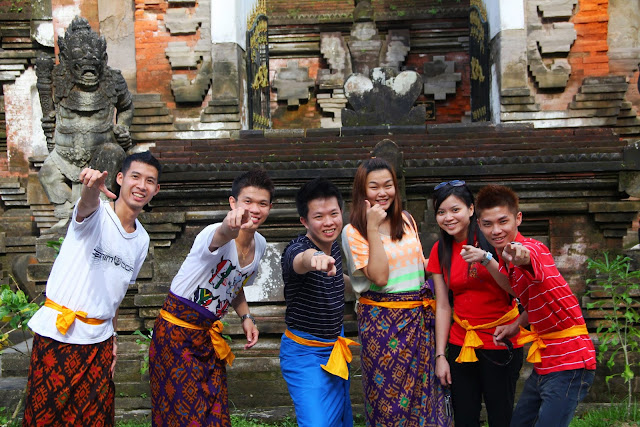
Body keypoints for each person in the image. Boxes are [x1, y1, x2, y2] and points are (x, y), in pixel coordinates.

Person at [23, 151, 161, 426]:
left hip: (99, 341)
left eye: (149, 181)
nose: (141, 186)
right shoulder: (97, 214)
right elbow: (87, 205)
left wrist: (114, 338)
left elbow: (116, 294)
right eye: (135, 177)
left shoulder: (141, 240)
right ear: (120, 178)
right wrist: (89, 188)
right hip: (60, 334)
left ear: (156, 190)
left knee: (95, 419)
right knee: (46, 417)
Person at [149, 169, 273, 427]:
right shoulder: (213, 233)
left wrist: (246, 317)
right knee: (183, 416)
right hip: (175, 334)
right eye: (248, 201)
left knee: (214, 413)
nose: (255, 209)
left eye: (262, 203)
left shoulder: (260, 244)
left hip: (207, 337)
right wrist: (229, 226)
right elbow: (222, 234)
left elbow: (234, 283)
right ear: (233, 203)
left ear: (270, 208)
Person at [342, 158, 451, 426]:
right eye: (374, 187)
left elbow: (419, 266)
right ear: (362, 191)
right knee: (388, 403)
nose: (382, 193)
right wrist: (372, 227)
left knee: (426, 399)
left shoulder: (406, 219)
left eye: (388, 185)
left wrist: (457, 261)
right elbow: (380, 277)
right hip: (383, 327)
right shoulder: (353, 231)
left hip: (419, 321)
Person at [475, 185, 596, 427]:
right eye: (488, 224)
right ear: (479, 224)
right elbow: (536, 301)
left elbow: (530, 257)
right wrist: (515, 325)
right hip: (545, 361)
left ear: (518, 218)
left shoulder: (533, 249)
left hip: (570, 361)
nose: (496, 230)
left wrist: (522, 256)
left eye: (503, 221)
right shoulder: (504, 261)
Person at [427, 180, 523, 427]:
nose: (448, 217)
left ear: (471, 210)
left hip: (499, 340)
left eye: (455, 209)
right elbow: (443, 305)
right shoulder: (440, 249)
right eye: (441, 212)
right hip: (461, 343)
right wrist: (440, 355)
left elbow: (516, 290)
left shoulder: (495, 238)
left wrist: (486, 259)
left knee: (501, 417)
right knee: (464, 418)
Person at [280, 177, 358, 427]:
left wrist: (366, 288)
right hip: (305, 354)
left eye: (333, 214)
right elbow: (301, 260)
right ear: (304, 221)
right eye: (318, 216)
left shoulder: (333, 246)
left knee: (339, 419)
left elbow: (338, 279)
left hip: (335, 346)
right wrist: (314, 258)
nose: (328, 222)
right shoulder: (296, 249)